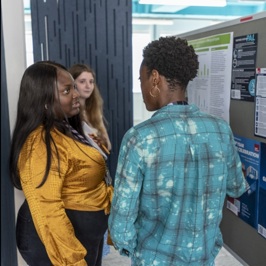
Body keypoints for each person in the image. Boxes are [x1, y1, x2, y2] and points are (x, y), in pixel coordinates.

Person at [108, 36, 247, 266]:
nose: (141, 87)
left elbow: (121, 226)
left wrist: (138, 251)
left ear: (154, 79)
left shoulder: (140, 138)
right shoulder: (220, 129)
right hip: (204, 259)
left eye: (141, 79)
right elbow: (236, 186)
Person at [9, 61, 113, 266]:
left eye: (74, 86)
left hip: (84, 233)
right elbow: (47, 210)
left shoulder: (67, 127)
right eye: (67, 90)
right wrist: (72, 261)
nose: (76, 94)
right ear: (45, 101)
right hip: (57, 242)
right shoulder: (39, 144)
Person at [68, 63, 112, 257]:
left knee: (97, 245)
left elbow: (107, 147)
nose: (88, 86)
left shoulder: (94, 111)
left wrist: (99, 127)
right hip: (80, 190)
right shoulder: (68, 115)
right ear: (72, 83)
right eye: (82, 81)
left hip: (100, 183)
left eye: (91, 82)